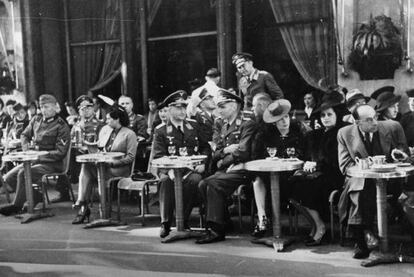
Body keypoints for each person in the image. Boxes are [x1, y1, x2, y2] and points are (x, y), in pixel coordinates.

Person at [337, 104, 409, 259]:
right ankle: (364, 238)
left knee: (363, 190)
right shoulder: (344, 133)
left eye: (375, 117)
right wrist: (365, 167)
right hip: (359, 180)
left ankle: (363, 236)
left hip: (389, 180)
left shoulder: (392, 127)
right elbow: (345, 166)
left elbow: (406, 155)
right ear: (357, 123)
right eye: (369, 120)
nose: (375, 122)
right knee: (361, 186)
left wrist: (399, 155)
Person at [196, 89, 257, 244]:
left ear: (234, 106)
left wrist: (223, 161)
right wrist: (225, 151)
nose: (219, 110)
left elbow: (243, 152)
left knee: (212, 183)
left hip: (244, 168)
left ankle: (216, 230)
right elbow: (215, 152)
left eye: (222, 106)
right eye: (218, 106)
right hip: (228, 169)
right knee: (203, 184)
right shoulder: (222, 125)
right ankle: (224, 221)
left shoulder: (247, 123)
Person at [289, 96, 348, 246]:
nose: (326, 118)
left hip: (335, 175)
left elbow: (336, 161)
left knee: (309, 187)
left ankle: (320, 227)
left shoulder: (341, 133)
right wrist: (307, 163)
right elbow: (305, 155)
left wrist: (317, 166)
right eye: (323, 115)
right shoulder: (315, 135)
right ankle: (316, 224)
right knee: (292, 184)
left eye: (329, 114)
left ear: (337, 115)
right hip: (316, 174)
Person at [152, 90, 211, 238]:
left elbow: (205, 146)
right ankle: (165, 222)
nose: (183, 111)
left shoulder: (193, 125)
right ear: (169, 110)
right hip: (169, 170)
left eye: (184, 108)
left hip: (190, 170)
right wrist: (170, 170)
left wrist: (203, 163)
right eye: (178, 108)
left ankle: (183, 220)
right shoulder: (161, 130)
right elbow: (159, 155)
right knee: (165, 181)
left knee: (195, 180)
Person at [0, 94, 71, 215]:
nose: (44, 110)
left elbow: (60, 153)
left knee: (23, 173)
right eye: (42, 107)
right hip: (34, 160)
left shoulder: (61, 126)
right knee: (9, 177)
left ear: (55, 107)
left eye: (47, 107)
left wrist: (38, 156)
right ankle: (36, 196)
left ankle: (16, 206)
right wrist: (26, 148)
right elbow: (24, 135)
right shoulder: (36, 120)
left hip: (53, 163)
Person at [72, 105, 138, 224]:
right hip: (103, 165)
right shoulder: (105, 130)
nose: (106, 121)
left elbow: (130, 157)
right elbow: (99, 147)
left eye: (109, 119)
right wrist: (86, 144)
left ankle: (84, 208)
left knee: (95, 171)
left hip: (120, 168)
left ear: (117, 119)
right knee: (86, 166)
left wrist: (113, 163)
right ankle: (83, 203)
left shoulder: (129, 134)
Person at [250, 99, 306, 237]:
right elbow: (255, 156)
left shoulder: (298, 132)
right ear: (274, 122)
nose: (284, 121)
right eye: (280, 119)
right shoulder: (265, 135)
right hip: (269, 176)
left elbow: (304, 154)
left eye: (286, 117)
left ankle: (273, 225)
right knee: (257, 181)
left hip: (291, 176)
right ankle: (262, 218)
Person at [68, 95, 104, 186]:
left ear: (93, 109)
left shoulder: (100, 124)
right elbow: (71, 139)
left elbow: (101, 144)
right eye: (82, 108)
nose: (86, 110)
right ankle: (65, 189)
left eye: (88, 107)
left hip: (92, 154)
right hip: (78, 153)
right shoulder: (76, 125)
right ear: (79, 111)